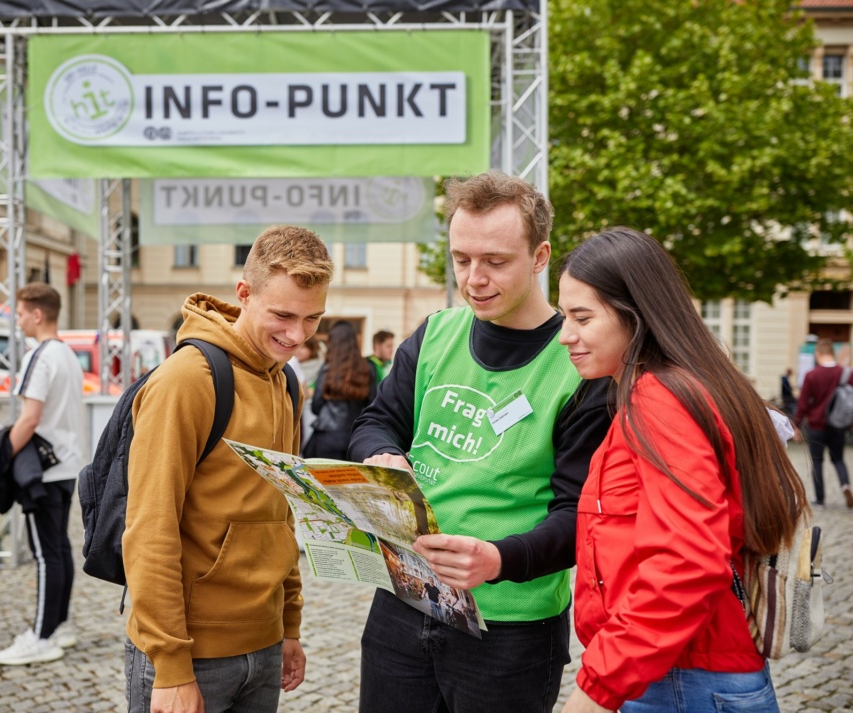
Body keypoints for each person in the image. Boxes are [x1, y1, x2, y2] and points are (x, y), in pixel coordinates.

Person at [347, 170, 612, 713]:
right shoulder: (437, 332)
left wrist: (498, 558)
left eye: (495, 261)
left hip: (509, 626)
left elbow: (581, 513)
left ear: (540, 258)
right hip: (404, 600)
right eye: (462, 259)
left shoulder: (582, 364)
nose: (474, 279)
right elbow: (376, 421)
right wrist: (381, 455)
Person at [556, 227, 809, 713]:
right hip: (682, 673)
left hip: (679, 680)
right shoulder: (675, 387)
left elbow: (687, 562)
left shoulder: (660, 398)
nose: (566, 334)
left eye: (582, 317)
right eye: (566, 316)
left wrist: (596, 688)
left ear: (635, 313)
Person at [121, 225, 332, 713]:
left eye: (312, 318)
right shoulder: (186, 381)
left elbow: (283, 512)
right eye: (282, 315)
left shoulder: (286, 382)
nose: (297, 335)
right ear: (243, 293)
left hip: (263, 644)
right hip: (190, 655)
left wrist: (288, 625)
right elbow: (150, 528)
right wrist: (172, 665)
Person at [0, 283, 84, 666]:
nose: (18, 319)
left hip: (42, 471)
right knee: (58, 548)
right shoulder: (67, 354)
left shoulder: (40, 355)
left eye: (20, 312)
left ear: (37, 314)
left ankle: (42, 635)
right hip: (65, 465)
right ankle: (58, 626)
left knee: (47, 554)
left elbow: (29, 418)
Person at [303, 320, 377, 461]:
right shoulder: (368, 368)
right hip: (355, 438)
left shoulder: (327, 369)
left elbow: (316, 406)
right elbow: (372, 404)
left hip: (326, 437)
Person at [794, 338, 853, 508]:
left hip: (816, 425)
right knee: (839, 459)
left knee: (817, 461)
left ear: (818, 354)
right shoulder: (846, 374)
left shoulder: (812, 375)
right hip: (838, 425)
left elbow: (803, 404)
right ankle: (845, 485)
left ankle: (820, 498)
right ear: (832, 354)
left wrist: (797, 427)